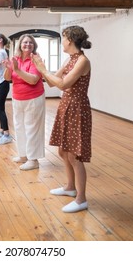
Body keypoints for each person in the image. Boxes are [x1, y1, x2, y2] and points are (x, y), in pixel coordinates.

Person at [31, 25, 92, 213]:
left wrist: (44, 70)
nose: (62, 41)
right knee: (63, 151)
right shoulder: (70, 60)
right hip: (66, 106)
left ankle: (81, 199)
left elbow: (64, 83)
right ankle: (70, 188)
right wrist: (42, 70)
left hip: (77, 109)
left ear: (71, 40)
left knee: (74, 154)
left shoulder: (82, 61)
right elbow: (51, 82)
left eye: (63, 38)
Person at [3, 34, 45, 171]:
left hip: (34, 98)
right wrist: (8, 68)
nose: (28, 45)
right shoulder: (15, 59)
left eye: (30, 43)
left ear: (34, 46)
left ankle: (33, 160)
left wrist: (16, 69)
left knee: (32, 128)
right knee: (19, 127)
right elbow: (8, 78)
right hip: (17, 98)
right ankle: (24, 155)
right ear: (20, 45)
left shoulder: (36, 60)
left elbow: (33, 80)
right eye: (25, 42)